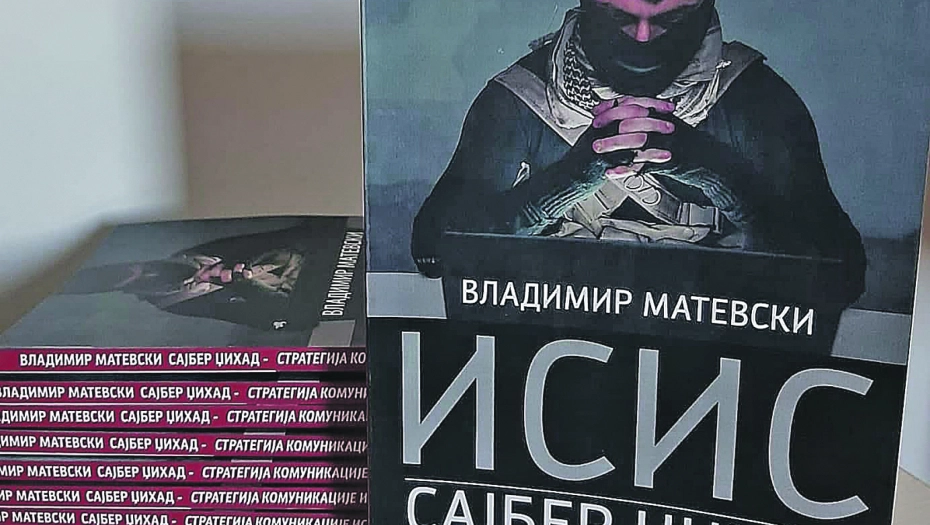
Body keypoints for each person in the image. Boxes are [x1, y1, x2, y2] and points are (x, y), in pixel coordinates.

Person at [410, 0, 866, 306]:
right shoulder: (519, 101)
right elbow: (433, 254)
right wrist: (571, 178)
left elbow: (842, 277)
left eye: (672, 19)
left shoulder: (756, 101)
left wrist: (714, 171)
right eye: (618, 16)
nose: (644, 38)